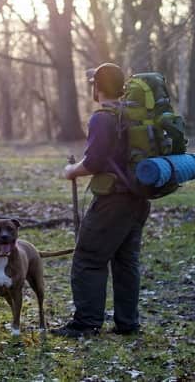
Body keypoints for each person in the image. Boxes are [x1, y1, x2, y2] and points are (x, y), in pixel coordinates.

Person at [51, 62, 151, 337]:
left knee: (88, 257)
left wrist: (72, 170)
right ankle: (127, 323)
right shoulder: (133, 115)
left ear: (98, 87)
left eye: (93, 83)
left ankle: (86, 323)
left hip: (113, 201)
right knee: (125, 261)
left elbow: (94, 162)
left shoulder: (102, 118)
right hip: (139, 198)